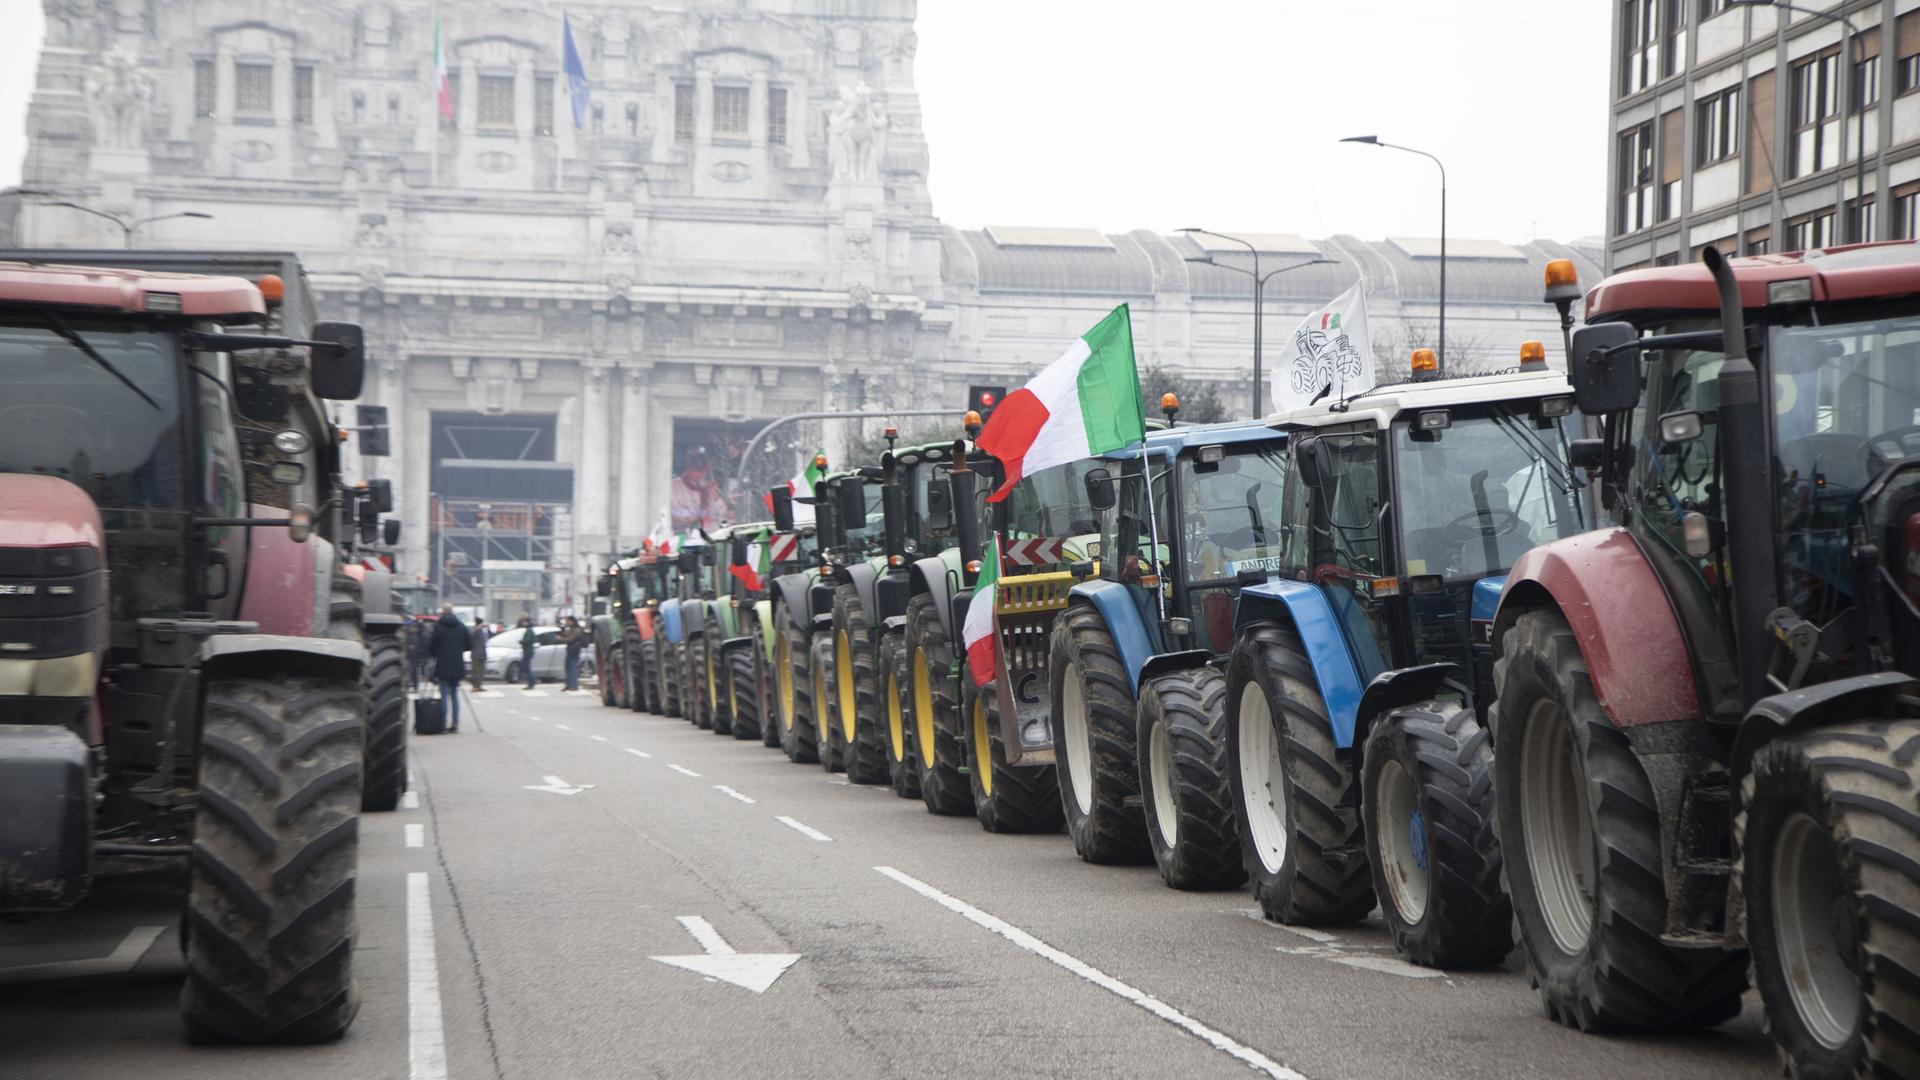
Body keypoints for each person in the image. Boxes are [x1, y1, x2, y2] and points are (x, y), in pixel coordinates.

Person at [429, 605, 473, 733]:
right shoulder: (461, 626)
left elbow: (432, 646)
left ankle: (442, 723)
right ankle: (455, 724)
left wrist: (436, 653)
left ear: (442, 612)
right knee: (454, 695)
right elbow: (469, 644)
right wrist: (459, 649)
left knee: (443, 695)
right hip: (457, 664)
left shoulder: (438, 626)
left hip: (442, 664)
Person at [558, 616, 586, 692]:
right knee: (568, 668)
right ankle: (568, 684)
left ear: (571, 621)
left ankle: (574, 685)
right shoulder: (571, 629)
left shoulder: (577, 630)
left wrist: (561, 639)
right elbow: (567, 635)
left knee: (573, 668)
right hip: (570, 650)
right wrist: (562, 631)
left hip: (574, 651)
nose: (566, 623)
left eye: (567, 621)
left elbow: (570, 639)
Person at [469, 615, 490, 691]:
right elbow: (470, 637)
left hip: (482, 654)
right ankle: (475, 686)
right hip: (476, 655)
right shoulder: (475, 631)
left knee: (481, 672)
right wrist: (477, 628)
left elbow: (487, 639)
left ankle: (479, 686)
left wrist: (488, 628)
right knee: (475, 672)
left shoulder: (483, 631)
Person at [517, 617, 538, 689]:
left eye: (524, 622)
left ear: (527, 622)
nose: (523, 623)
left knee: (526, 667)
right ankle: (532, 681)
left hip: (528, 650)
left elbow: (528, 641)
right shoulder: (529, 630)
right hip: (528, 650)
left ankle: (532, 682)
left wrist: (521, 642)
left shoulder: (529, 631)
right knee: (526, 666)